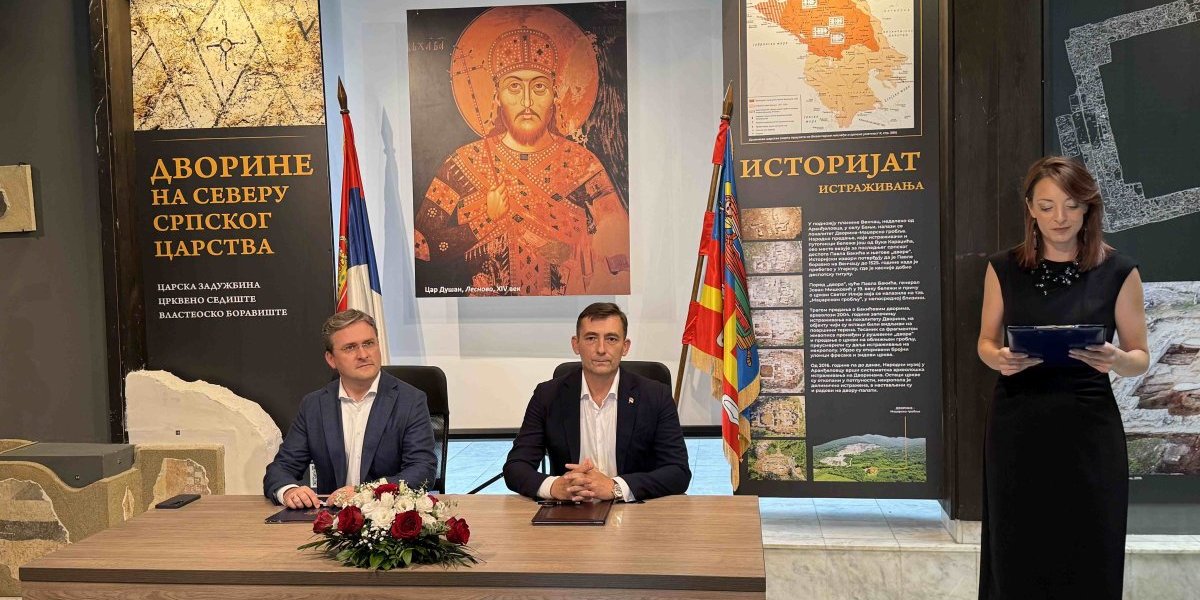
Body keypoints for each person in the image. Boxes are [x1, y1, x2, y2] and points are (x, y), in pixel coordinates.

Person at [976, 156, 1149, 598]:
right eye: (1047, 206)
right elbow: (985, 343)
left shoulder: (1119, 270)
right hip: (1017, 424)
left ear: (1088, 208)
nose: (1060, 218)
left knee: (1090, 543)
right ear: (1030, 208)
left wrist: (1116, 358)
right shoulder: (1003, 268)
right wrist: (1000, 358)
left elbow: (1140, 357)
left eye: (1072, 206)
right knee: (1017, 545)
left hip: (1088, 427)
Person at [414, 20, 629, 296]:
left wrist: (587, 254)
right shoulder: (464, 162)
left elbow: (619, 250)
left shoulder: (582, 165)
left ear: (555, 96)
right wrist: (485, 220)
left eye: (539, 87)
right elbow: (422, 246)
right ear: (496, 97)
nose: (527, 102)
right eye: (514, 87)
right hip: (484, 310)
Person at [504, 302, 691, 501]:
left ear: (625, 347)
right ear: (576, 344)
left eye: (611, 339)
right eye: (591, 338)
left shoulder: (656, 396)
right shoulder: (547, 395)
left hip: (635, 509)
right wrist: (554, 487)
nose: (601, 349)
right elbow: (516, 467)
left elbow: (678, 471)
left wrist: (616, 487)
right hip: (570, 509)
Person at [263, 310, 437, 507]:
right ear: (331, 359)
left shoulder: (411, 400)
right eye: (350, 347)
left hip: (387, 515)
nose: (363, 355)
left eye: (368, 343)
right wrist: (289, 491)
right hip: (331, 517)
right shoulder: (314, 405)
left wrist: (365, 492)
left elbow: (422, 470)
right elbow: (281, 468)